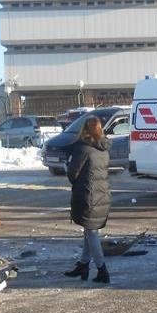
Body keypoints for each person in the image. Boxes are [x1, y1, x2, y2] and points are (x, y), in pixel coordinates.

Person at [63, 116, 112, 284]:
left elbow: (72, 174)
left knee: (91, 233)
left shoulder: (83, 148)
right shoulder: (103, 148)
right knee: (89, 231)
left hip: (88, 197)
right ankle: (83, 265)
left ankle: (102, 270)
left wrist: (68, 169)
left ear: (84, 130)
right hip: (102, 196)